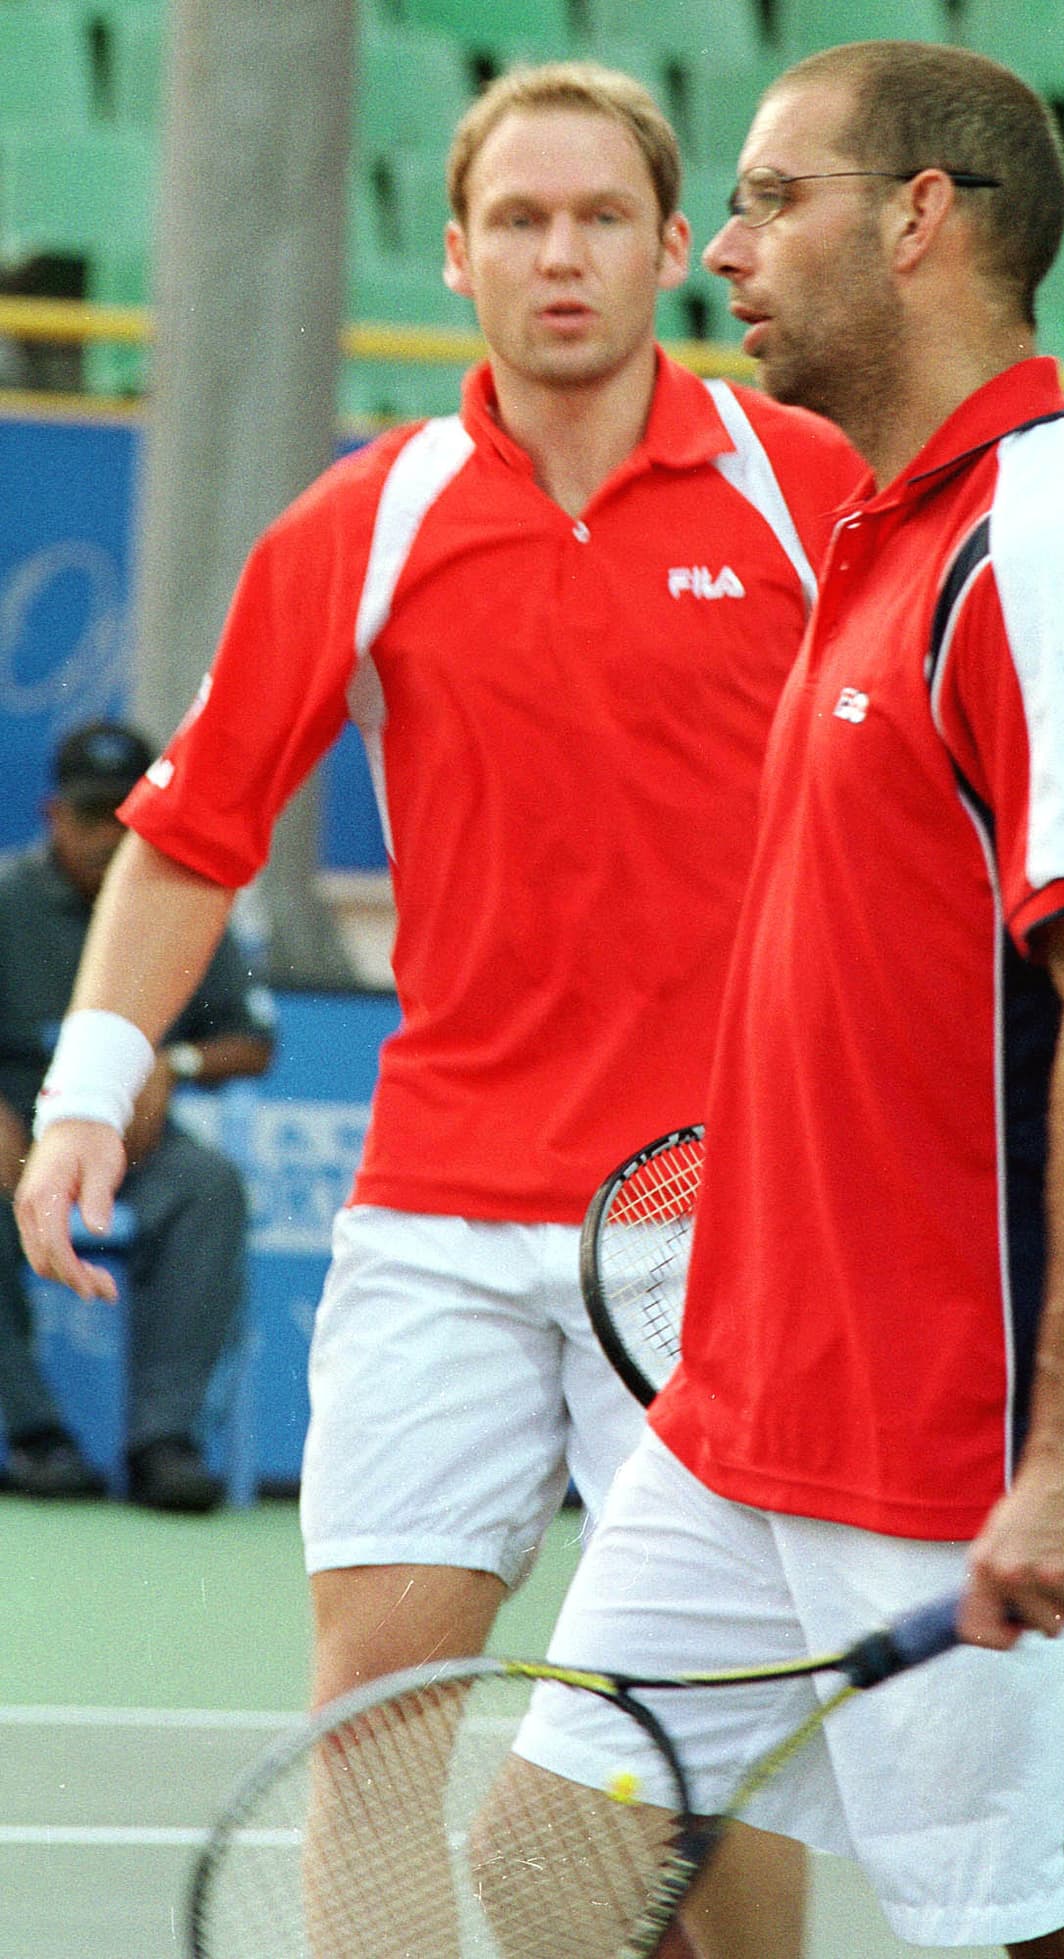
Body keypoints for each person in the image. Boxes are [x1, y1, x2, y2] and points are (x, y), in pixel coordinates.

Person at [13, 60, 857, 1936]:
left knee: (691, 1750)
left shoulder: (810, 494)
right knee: (377, 1717)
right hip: (441, 1214)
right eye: (523, 222)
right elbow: (190, 830)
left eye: (603, 219)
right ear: (458, 255)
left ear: (669, 249)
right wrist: (88, 1087)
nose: (564, 257)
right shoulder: (367, 518)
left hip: (726, 1219)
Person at [504, 40, 1064, 1959]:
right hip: (759, 1401)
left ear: (923, 217)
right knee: (556, 1853)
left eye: (774, 201)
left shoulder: (1042, 555)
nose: (725, 252)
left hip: (975, 1420)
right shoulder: (881, 532)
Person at [0, 721, 275, 1510]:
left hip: (138, 1136)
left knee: (209, 1186)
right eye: (90, 817)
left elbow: (252, 1040)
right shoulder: (8, 897)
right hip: (16, 1127)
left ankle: (165, 1441)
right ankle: (35, 1435)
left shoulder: (178, 896)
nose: (108, 837)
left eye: (126, 817)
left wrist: (172, 1061)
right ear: (54, 815)